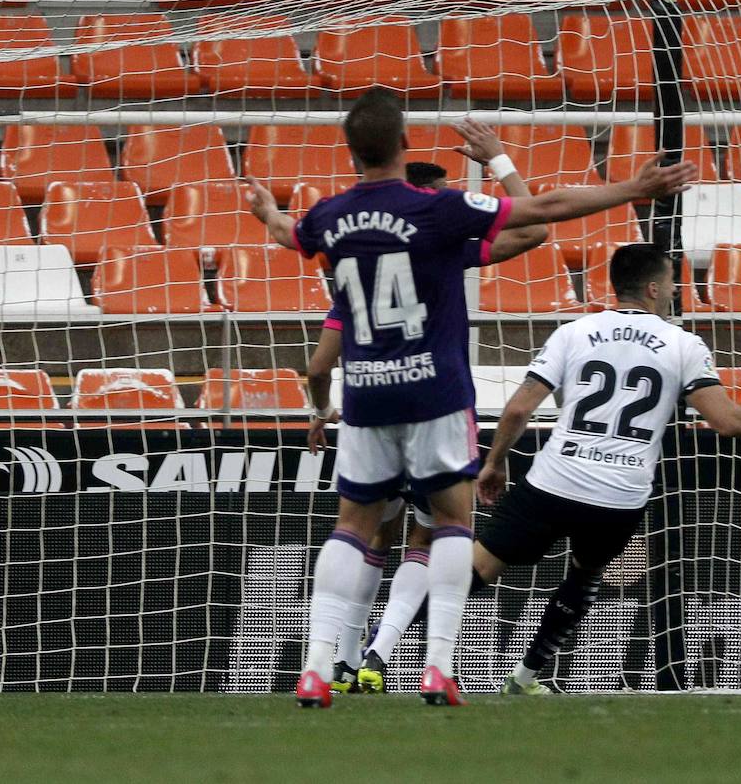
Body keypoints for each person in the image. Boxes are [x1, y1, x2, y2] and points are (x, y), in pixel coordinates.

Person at [249, 86, 699, 707]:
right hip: (434, 394)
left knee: (352, 529)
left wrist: (266, 208)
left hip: (368, 399)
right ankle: (436, 667)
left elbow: (282, 233)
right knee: (451, 524)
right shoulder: (437, 213)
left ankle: (318, 666)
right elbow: (545, 209)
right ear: (405, 146)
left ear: (350, 151)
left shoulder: (326, 217)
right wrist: (631, 190)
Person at [473, 244, 741, 695]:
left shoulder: (575, 332)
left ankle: (387, 653)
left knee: (477, 568)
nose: (676, 291)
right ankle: (525, 679)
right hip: (620, 496)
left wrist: (495, 462)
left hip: (556, 481)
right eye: (672, 283)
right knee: (584, 576)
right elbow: (726, 421)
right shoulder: (683, 344)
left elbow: (516, 411)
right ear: (652, 287)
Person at [306, 123, 548, 695]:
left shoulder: (351, 265)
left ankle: (339, 661)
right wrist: (499, 159)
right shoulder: (447, 250)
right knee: (439, 531)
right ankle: (393, 656)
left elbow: (318, 365)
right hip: (436, 401)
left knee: (365, 533)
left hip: (369, 404)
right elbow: (535, 225)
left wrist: (321, 410)